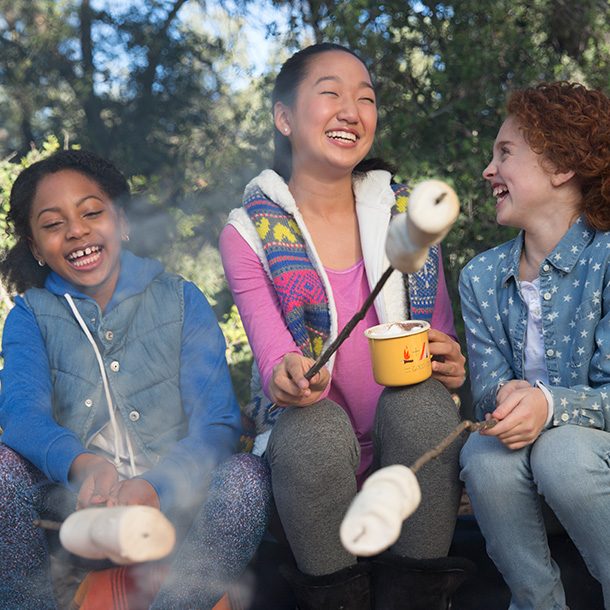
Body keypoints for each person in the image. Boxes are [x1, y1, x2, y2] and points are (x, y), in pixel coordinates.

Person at [219, 43, 472, 610]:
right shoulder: (249, 232)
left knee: (426, 404)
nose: (352, 111)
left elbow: (440, 342)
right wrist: (285, 375)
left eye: (366, 98)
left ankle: (419, 596)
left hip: (406, 458)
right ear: (284, 118)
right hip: (311, 465)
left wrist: (452, 363)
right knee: (314, 428)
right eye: (329, 93)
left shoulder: (406, 218)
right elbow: (271, 353)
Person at [0, 149, 271, 609]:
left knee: (247, 479)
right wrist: (81, 465)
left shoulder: (181, 300)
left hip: (175, 513)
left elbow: (217, 424)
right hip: (73, 518)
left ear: (122, 221)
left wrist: (156, 486)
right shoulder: (31, 315)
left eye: (91, 212)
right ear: (34, 247)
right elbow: (21, 414)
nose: (76, 231)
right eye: (52, 224)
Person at [459, 81, 610, 610]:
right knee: (484, 453)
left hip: (590, 464)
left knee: (564, 452)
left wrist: (549, 405)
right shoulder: (481, 277)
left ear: (562, 166)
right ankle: (536, 603)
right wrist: (508, 405)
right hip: (529, 474)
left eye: (505, 153)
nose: (488, 170)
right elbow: (488, 392)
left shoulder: (608, 259)